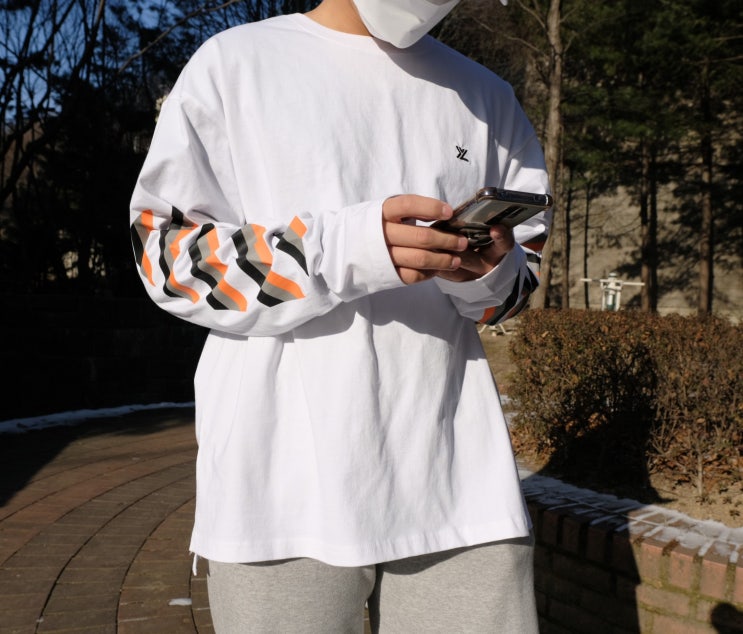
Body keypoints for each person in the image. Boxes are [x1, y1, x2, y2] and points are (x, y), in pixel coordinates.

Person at [129, 0, 551, 631]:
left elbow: (516, 286)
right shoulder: (235, 64)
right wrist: (344, 249)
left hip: (457, 479)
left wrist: (483, 270)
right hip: (279, 487)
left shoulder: (486, 95)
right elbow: (168, 259)